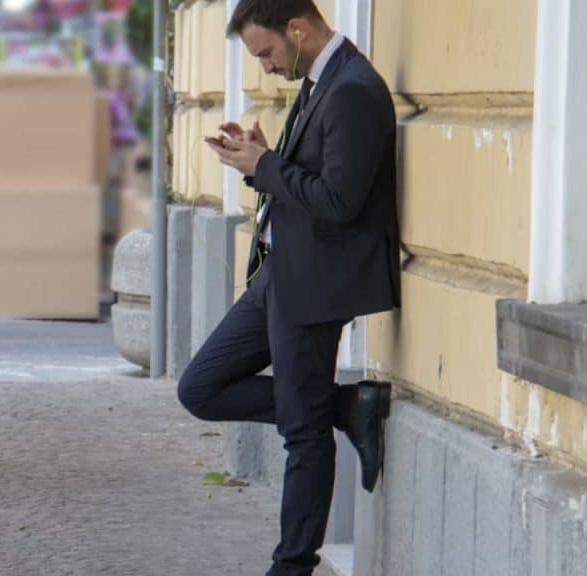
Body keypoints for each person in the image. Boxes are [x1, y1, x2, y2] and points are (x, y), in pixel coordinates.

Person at [177, 1, 401, 574]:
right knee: (200, 388)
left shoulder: (353, 89)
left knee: (303, 433)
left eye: (267, 53)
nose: (268, 66)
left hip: (316, 282)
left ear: (297, 30)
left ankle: (292, 565)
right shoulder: (321, 80)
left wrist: (267, 166)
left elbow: (340, 201)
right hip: (281, 272)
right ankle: (346, 404)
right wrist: (261, 158)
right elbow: (311, 177)